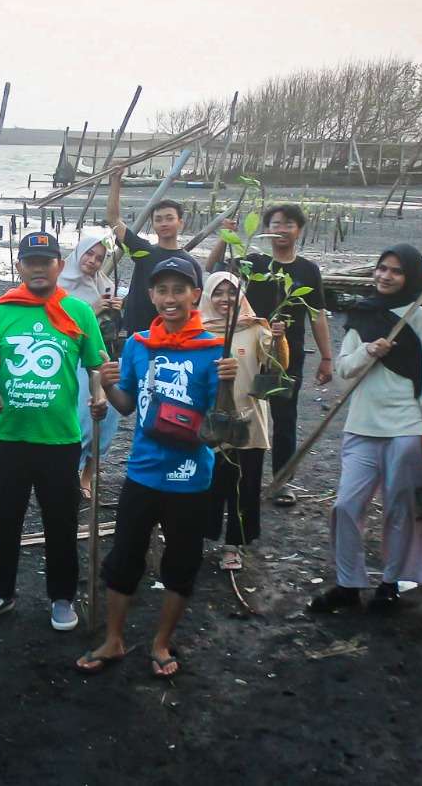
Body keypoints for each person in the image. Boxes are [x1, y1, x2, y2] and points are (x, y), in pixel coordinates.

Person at [78, 257, 237, 678]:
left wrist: (229, 384)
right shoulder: (138, 345)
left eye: (179, 290)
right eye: (162, 290)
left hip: (191, 477)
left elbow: (221, 431)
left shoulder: (213, 351)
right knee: (124, 556)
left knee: (182, 563)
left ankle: (161, 642)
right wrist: (109, 386)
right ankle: (113, 639)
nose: (170, 298)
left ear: (195, 296)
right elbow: (128, 408)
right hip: (143, 472)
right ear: (151, 296)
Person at [0, 232, 108, 631]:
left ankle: (62, 597)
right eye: (31, 261)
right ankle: (0, 592)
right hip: (8, 435)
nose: (39, 268)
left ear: (60, 266)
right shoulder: (1, 312)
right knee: (4, 518)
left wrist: (99, 397)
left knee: (60, 520)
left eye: (47, 260)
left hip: (60, 438)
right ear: (20, 267)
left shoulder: (78, 312)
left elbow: (97, 363)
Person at [310, 245, 422, 614]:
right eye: (381, 268)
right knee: (345, 506)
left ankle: (390, 583)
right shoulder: (363, 313)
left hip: (405, 427)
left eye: (396, 271)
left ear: (411, 277)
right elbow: (342, 372)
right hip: (362, 427)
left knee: (400, 509)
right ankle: (349, 583)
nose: (385, 276)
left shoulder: (420, 318)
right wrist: (369, 350)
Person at [205, 203, 335, 507]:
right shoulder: (253, 262)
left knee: (285, 418)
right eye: (275, 224)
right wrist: (225, 237)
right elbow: (213, 271)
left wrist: (327, 358)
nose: (281, 230)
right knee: (244, 411)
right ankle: (236, 474)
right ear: (266, 228)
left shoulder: (307, 270)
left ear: (299, 230)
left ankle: (281, 481)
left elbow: (317, 315)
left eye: (289, 224)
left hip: (285, 356)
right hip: (249, 353)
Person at [197, 272, 287, 571]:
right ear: (208, 296)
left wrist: (278, 339)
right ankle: (197, 536)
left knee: (243, 485)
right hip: (209, 420)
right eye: (218, 293)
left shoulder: (253, 328)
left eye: (231, 292)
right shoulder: (197, 329)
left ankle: (233, 545)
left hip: (248, 418)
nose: (225, 299)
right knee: (206, 483)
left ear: (241, 296)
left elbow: (278, 366)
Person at [57, 230, 123, 496]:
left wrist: (116, 309)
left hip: (102, 358)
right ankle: (69, 472)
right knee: (81, 418)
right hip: (73, 362)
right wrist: (93, 309)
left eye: (99, 258)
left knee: (105, 418)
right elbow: (58, 328)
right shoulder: (59, 286)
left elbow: (114, 330)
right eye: (89, 254)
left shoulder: (104, 284)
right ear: (77, 253)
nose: (93, 261)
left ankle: (88, 475)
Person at [105, 170, 203, 338]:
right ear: (153, 224)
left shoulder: (190, 263)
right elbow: (114, 219)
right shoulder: (144, 252)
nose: (164, 223)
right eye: (158, 219)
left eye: (169, 218)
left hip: (174, 334)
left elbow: (194, 305)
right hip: (139, 332)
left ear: (180, 223)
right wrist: (115, 179)